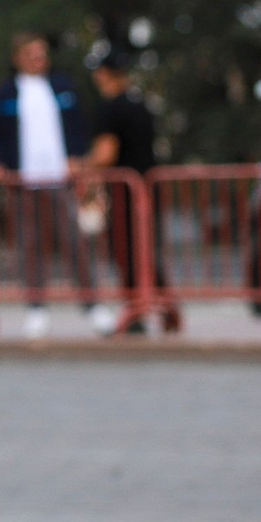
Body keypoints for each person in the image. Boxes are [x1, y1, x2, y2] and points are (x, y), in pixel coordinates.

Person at [0, 31, 107, 339]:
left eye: (42, 53)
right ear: (18, 58)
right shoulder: (6, 92)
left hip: (61, 178)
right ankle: (36, 308)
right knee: (30, 245)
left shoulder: (63, 86)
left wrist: (78, 158)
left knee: (73, 242)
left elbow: (79, 125)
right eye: (32, 54)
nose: (39, 59)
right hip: (23, 181)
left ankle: (92, 305)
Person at [87, 47, 179, 335]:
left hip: (125, 191)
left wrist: (80, 167)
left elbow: (105, 154)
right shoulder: (142, 105)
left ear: (102, 74)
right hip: (149, 187)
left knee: (126, 252)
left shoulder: (110, 108)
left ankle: (135, 312)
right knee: (147, 251)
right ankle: (167, 309)